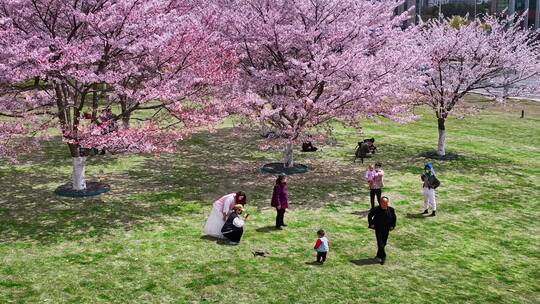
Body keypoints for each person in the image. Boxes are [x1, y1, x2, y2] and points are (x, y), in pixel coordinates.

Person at [368, 196, 396, 265]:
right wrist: (371, 223)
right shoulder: (376, 209)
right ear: (380, 203)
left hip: (386, 229)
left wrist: (392, 226)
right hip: (378, 229)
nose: (384, 204)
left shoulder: (391, 210)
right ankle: (383, 256)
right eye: (383, 203)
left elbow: (394, 218)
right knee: (380, 244)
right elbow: (369, 215)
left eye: (386, 203)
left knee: (384, 243)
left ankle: (378, 255)